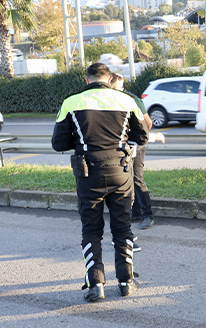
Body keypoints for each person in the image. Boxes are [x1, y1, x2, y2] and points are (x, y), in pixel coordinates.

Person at [51, 63, 149, 302]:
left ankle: (96, 285)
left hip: (88, 174)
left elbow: (58, 143)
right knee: (122, 228)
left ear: (87, 80)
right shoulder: (126, 100)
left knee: (91, 230)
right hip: (121, 172)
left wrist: (81, 141)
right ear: (108, 79)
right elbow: (142, 136)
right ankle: (126, 283)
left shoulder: (72, 102)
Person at [110, 73, 159, 234]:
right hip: (121, 145)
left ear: (119, 86)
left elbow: (148, 124)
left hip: (135, 144)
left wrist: (133, 136)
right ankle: (136, 212)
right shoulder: (112, 100)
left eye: (112, 87)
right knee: (127, 178)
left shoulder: (133, 100)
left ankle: (148, 216)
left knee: (137, 178)